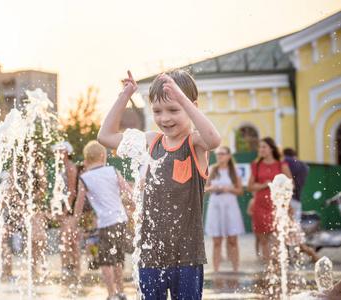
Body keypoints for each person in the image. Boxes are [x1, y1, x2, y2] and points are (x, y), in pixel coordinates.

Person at [98, 70, 221, 300]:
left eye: (174, 110)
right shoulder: (151, 141)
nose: (165, 118)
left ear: (191, 106)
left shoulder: (194, 143)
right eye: (157, 111)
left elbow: (214, 139)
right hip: (150, 255)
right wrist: (125, 95)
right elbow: (105, 136)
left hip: (187, 257)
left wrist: (182, 98)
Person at [74, 141, 133, 300]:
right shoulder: (113, 170)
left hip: (105, 223)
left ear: (87, 159)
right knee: (118, 258)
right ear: (102, 156)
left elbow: (79, 203)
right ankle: (121, 292)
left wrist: (75, 223)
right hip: (121, 220)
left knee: (106, 261)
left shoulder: (85, 178)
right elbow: (128, 191)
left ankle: (111, 294)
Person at [247, 137, 292, 262]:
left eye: (264, 147)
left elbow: (289, 185)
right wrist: (264, 185)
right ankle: (268, 266)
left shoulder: (281, 165)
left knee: (277, 237)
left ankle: (278, 265)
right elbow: (250, 187)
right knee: (263, 239)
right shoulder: (256, 165)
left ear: (271, 149)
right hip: (260, 205)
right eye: (260, 147)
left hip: (276, 205)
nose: (260, 149)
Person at [205, 146, 244, 272]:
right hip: (216, 206)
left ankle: (235, 270)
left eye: (222, 154)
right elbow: (205, 189)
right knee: (217, 240)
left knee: (233, 240)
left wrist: (229, 189)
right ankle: (216, 270)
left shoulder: (234, 171)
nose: (220, 156)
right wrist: (214, 188)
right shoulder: (212, 169)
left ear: (228, 156)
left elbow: (240, 191)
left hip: (230, 206)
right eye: (218, 154)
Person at [52, 141, 81, 285]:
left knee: (68, 239)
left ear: (67, 152)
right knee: (68, 239)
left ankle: (72, 269)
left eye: (61, 151)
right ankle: (71, 269)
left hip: (70, 208)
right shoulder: (62, 167)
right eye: (57, 152)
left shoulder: (70, 167)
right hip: (66, 207)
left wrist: (65, 211)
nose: (58, 154)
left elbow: (72, 191)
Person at [283, 148, 309, 223]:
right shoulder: (303, 165)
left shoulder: (285, 161)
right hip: (297, 199)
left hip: (286, 197)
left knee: (285, 226)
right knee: (296, 226)